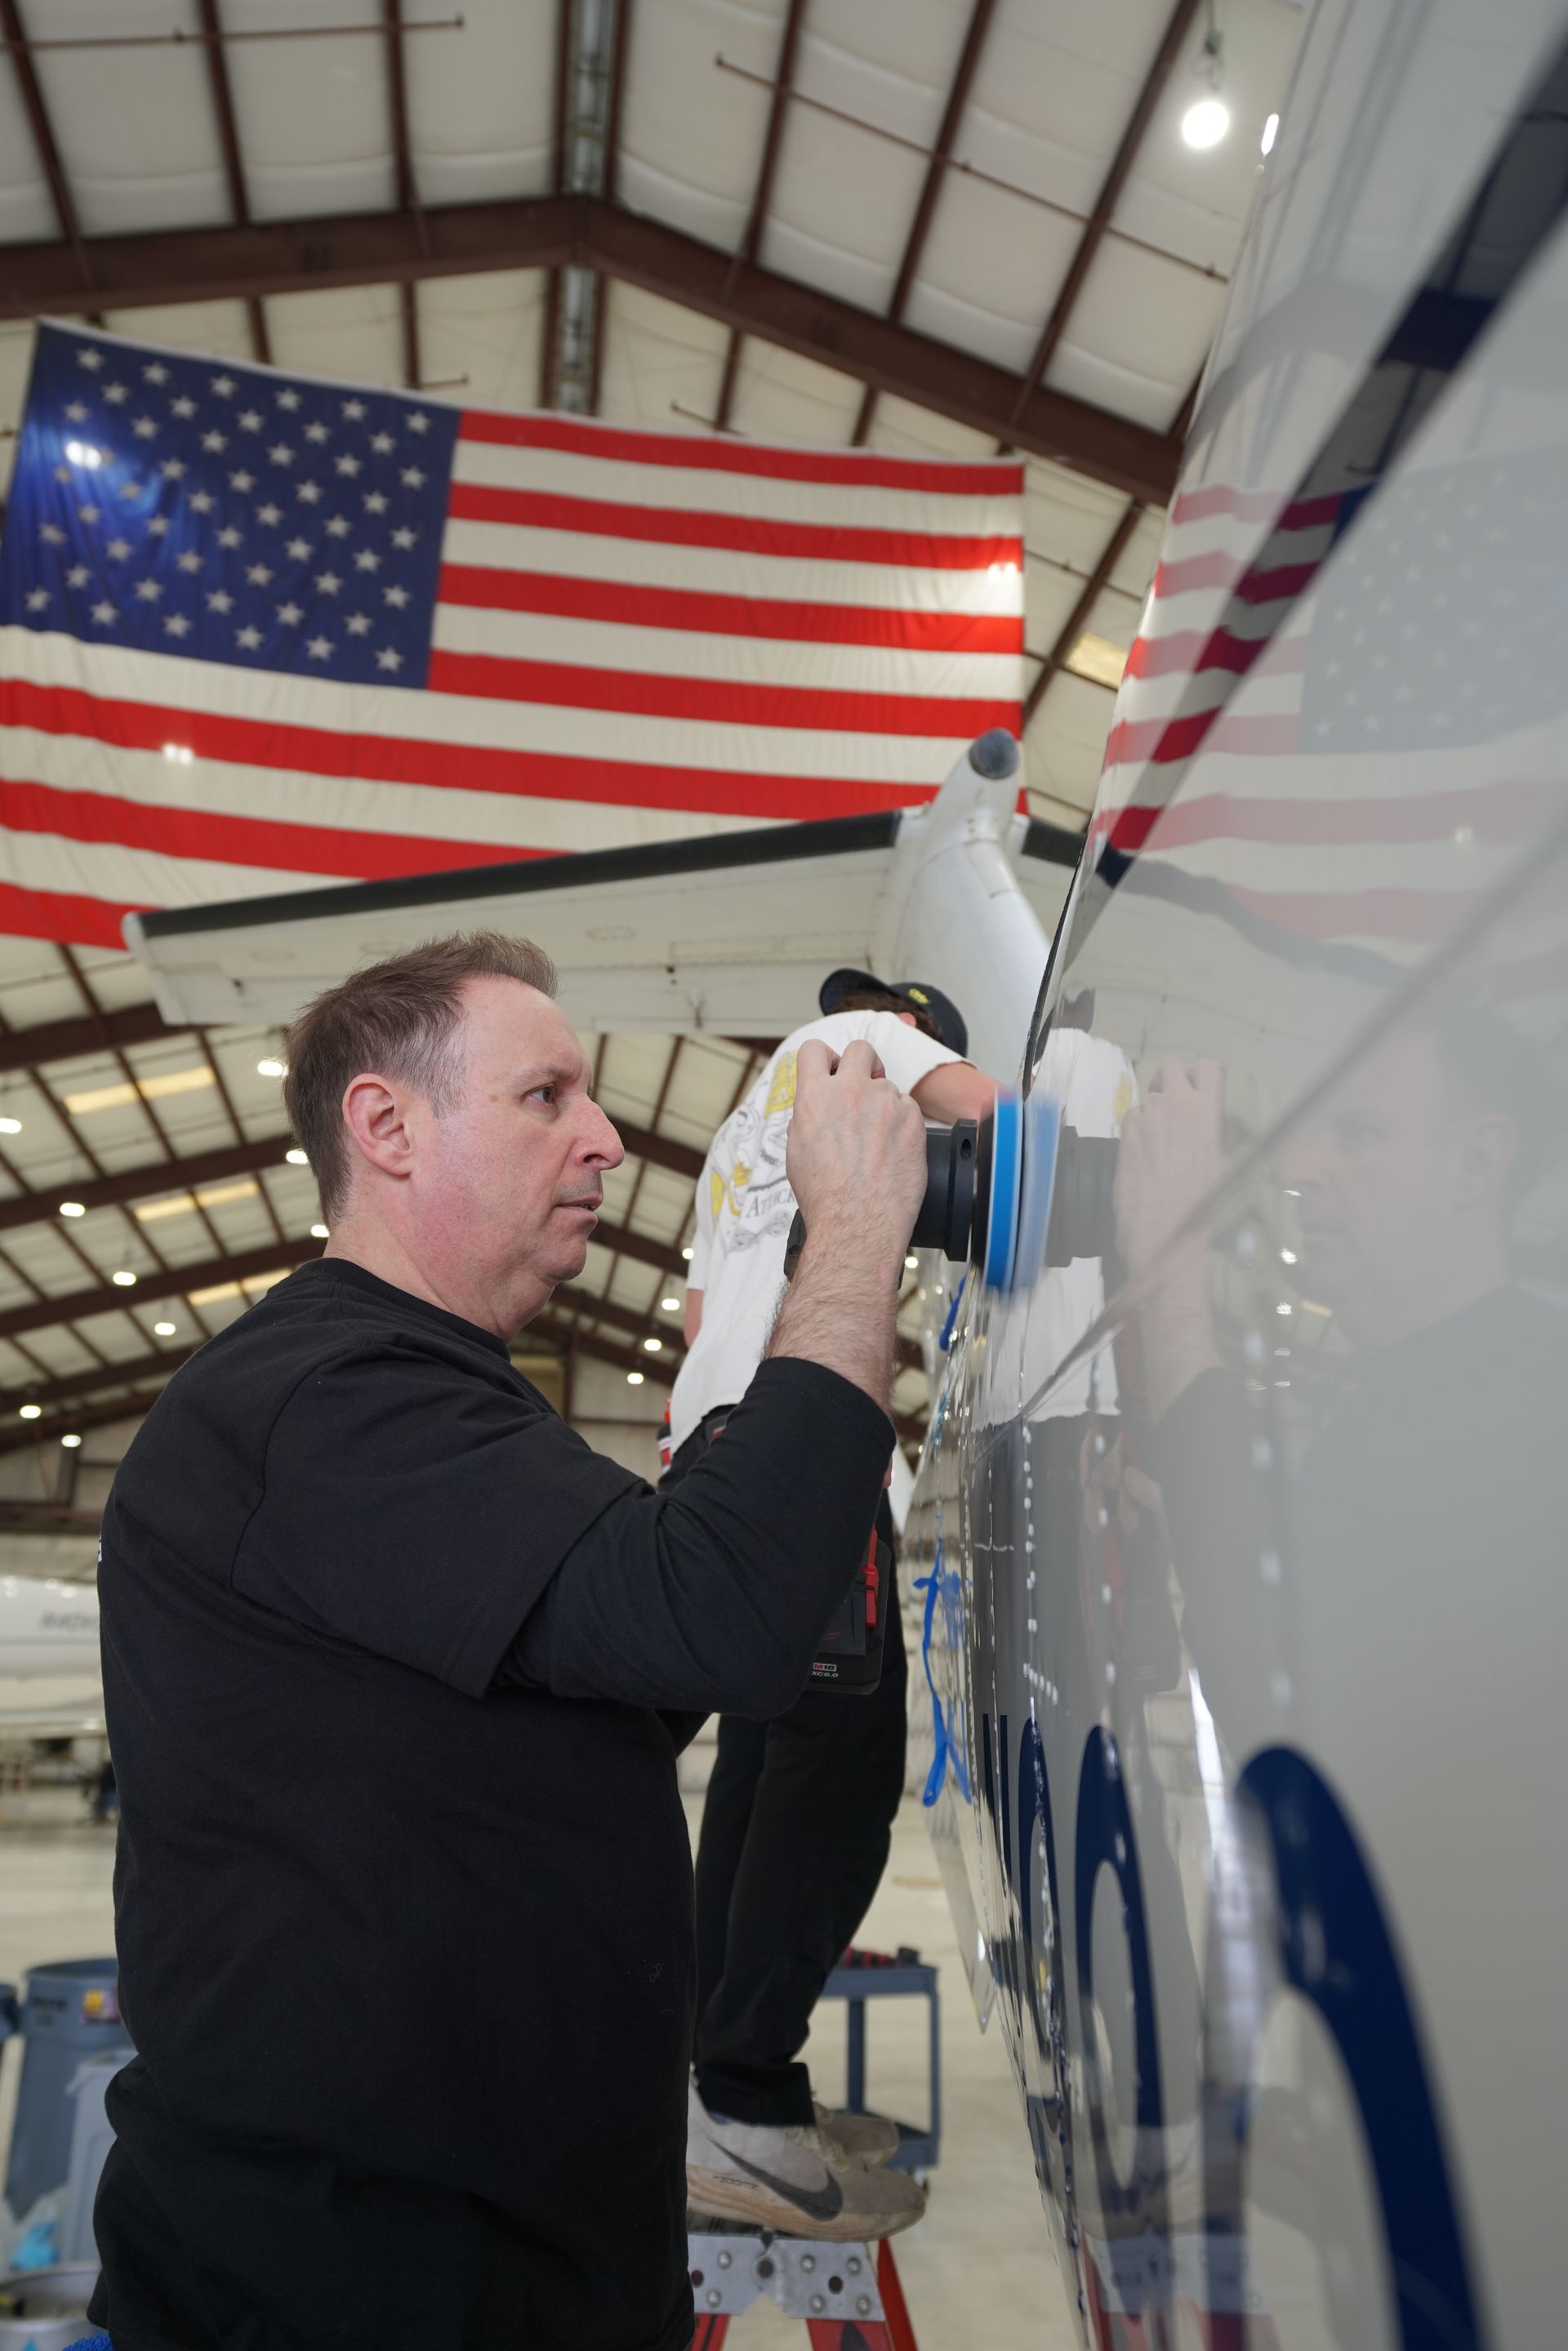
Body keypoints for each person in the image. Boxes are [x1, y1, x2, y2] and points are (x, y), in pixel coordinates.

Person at [88, 932, 930, 2351]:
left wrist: (753, 1408)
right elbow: (714, 1620)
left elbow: (637, 1675)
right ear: (386, 1126)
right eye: (548, 1096)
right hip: (348, 2299)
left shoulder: (439, 1401)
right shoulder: (328, 1399)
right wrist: (851, 1245)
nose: (604, 1139)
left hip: (522, 2275)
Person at [673, 968, 1000, 2236]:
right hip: (805, 1434)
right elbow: (1012, 1128)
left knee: (763, 1770)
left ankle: (710, 2082)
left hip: (724, 1435)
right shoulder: (863, 1042)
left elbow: (706, 1318)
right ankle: (745, 2104)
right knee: (838, 1780)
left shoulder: (739, 1136)